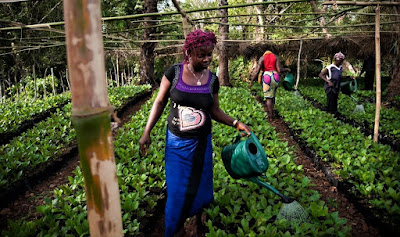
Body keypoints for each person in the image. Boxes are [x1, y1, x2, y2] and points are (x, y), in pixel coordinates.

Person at [139, 29, 251, 237]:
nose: (207, 59)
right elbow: (160, 102)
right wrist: (147, 132)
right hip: (177, 145)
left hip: (201, 144)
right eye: (201, 55)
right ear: (188, 53)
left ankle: (198, 222)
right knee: (177, 193)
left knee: (199, 187)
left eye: (210, 54)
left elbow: (215, 110)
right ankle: (177, 227)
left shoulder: (212, 80)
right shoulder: (173, 73)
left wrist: (236, 123)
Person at [249, 50, 291, 121]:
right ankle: (273, 111)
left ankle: (271, 116)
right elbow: (279, 69)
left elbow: (257, 71)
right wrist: (287, 69)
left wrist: (251, 81)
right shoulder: (276, 57)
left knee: (268, 98)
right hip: (275, 76)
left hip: (267, 77)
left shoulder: (262, 58)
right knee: (273, 95)